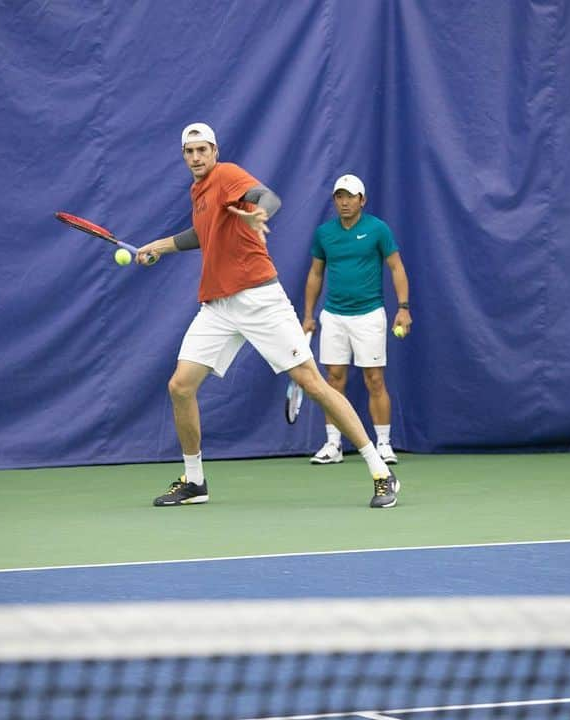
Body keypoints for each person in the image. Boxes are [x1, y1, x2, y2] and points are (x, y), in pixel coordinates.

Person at [135, 124, 400, 508]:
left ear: (214, 151)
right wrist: (158, 246)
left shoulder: (225, 175)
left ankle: (381, 471)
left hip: (259, 298)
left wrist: (258, 213)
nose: (196, 157)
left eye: (202, 150)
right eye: (189, 151)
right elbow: (202, 234)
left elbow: (266, 196)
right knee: (180, 386)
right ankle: (195, 481)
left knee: (313, 384)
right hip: (219, 305)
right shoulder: (198, 191)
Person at [301, 174, 411, 466]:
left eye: (350, 196)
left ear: (362, 200)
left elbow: (396, 267)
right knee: (333, 380)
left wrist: (403, 307)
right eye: (339, 196)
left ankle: (384, 444)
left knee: (374, 379)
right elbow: (315, 274)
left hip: (369, 315)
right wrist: (309, 315)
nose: (344, 202)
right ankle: (333, 444)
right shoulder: (324, 233)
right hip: (334, 316)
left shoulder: (378, 229)